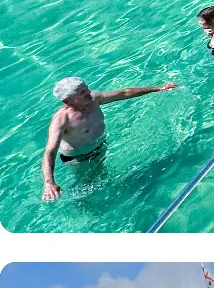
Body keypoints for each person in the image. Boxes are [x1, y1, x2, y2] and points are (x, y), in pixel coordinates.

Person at [41, 77, 179, 202]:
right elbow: (49, 152)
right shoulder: (61, 120)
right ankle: (84, 207)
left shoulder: (94, 99)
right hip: (80, 160)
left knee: (104, 177)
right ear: (67, 100)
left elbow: (124, 93)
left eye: (87, 88)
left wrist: (158, 88)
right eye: (83, 92)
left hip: (100, 147)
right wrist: (49, 182)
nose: (89, 93)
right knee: (88, 187)